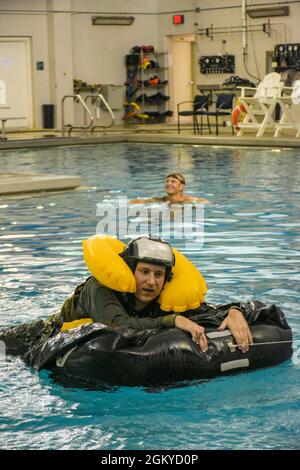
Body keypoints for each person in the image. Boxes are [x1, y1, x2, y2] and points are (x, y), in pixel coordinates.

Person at [0, 236, 253, 357]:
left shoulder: (164, 294)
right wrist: (172, 321)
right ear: (131, 272)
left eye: (158, 275)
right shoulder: (99, 289)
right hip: (35, 338)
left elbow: (205, 311)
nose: (151, 282)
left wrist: (233, 313)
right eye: (144, 272)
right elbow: (118, 326)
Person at [130, 173, 210, 205]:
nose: (168, 183)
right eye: (167, 181)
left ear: (181, 186)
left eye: (173, 181)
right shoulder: (160, 200)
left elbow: (206, 202)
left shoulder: (190, 201)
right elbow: (139, 201)